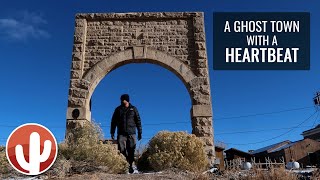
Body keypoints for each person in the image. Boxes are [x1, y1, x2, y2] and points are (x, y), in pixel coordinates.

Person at [110, 94, 142, 173]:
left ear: (127, 100)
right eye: (121, 99)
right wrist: (112, 131)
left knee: (131, 149)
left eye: (123, 99)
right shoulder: (118, 109)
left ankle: (130, 165)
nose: (122, 101)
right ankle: (124, 165)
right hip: (121, 133)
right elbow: (113, 121)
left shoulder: (133, 109)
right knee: (121, 150)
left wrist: (140, 132)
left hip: (132, 133)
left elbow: (138, 121)